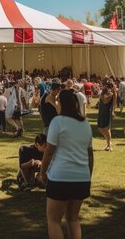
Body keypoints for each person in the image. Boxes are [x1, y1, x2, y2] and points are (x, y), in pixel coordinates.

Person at [39, 90, 93, 239]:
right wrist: (89, 175)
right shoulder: (85, 124)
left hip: (60, 177)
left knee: (54, 220)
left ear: (60, 103)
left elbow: (49, 151)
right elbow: (90, 154)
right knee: (73, 218)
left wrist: (42, 172)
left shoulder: (57, 121)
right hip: (82, 177)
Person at [97, 83, 117, 151]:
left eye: (109, 87)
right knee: (100, 128)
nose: (107, 88)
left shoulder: (112, 95)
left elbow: (113, 103)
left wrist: (113, 111)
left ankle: (109, 145)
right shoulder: (102, 94)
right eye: (107, 87)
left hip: (107, 112)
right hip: (101, 112)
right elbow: (100, 98)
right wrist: (102, 92)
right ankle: (108, 142)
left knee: (107, 128)